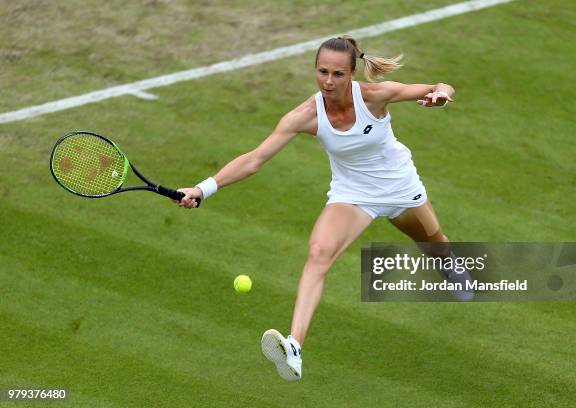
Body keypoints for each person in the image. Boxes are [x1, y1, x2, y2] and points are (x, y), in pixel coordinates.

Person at [174, 35, 465, 381]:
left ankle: (451, 268)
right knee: (318, 253)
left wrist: (441, 95)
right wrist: (202, 189)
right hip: (352, 194)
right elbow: (255, 159)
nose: (328, 81)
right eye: (322, 72)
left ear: (353, 73)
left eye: (337, 74)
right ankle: (294, 346)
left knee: (435, 242)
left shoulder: (375, 96)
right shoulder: (305, 115)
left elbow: (438, 85)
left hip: (401, 188)